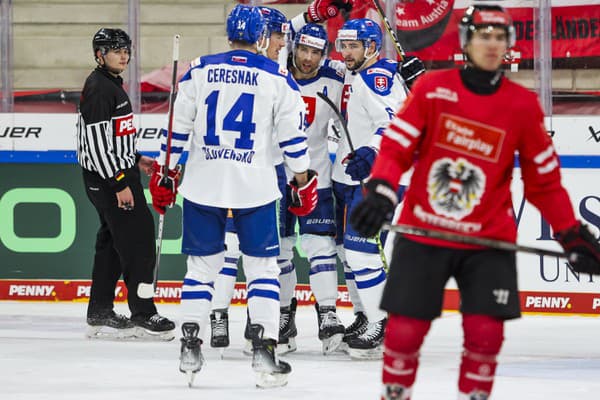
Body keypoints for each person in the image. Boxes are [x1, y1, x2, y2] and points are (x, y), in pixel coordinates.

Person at [349, 5, 600, 399]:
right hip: (425, 231)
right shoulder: (432, 90)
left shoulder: (521, 105)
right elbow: (397, 148)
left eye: (500, 37)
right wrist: (381, 189)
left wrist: (571, 232)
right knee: (404, 331)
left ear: (509, 45)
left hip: (486, 240)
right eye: (484, 35)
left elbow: (544, 183)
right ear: (467, 41)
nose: (492, 44)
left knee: (486, 334)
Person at [150, 4, 318, 388]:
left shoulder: (199, 69)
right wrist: (303, 180)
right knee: (262, 269)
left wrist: (166, 174)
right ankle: (265, 350)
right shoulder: (277, 76)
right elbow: (293, 140)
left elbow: (177, 130)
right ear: (261, 37)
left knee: (202, 269)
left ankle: (190, 343)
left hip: (203, 183)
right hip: (254, 186)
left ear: (228, 35)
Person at [77, 28, 175, 341]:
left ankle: (100, 312)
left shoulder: (109, 85)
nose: (123, 55)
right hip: (110, 181)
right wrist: (120, 182)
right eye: (115, 50)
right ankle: (143, 313)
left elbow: (112, 139)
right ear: (99, 54)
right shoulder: (99, 88)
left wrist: (135, 159)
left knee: (112, 244)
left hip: (115, 174)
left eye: (125, 49)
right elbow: (95, 145)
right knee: (139, 240)